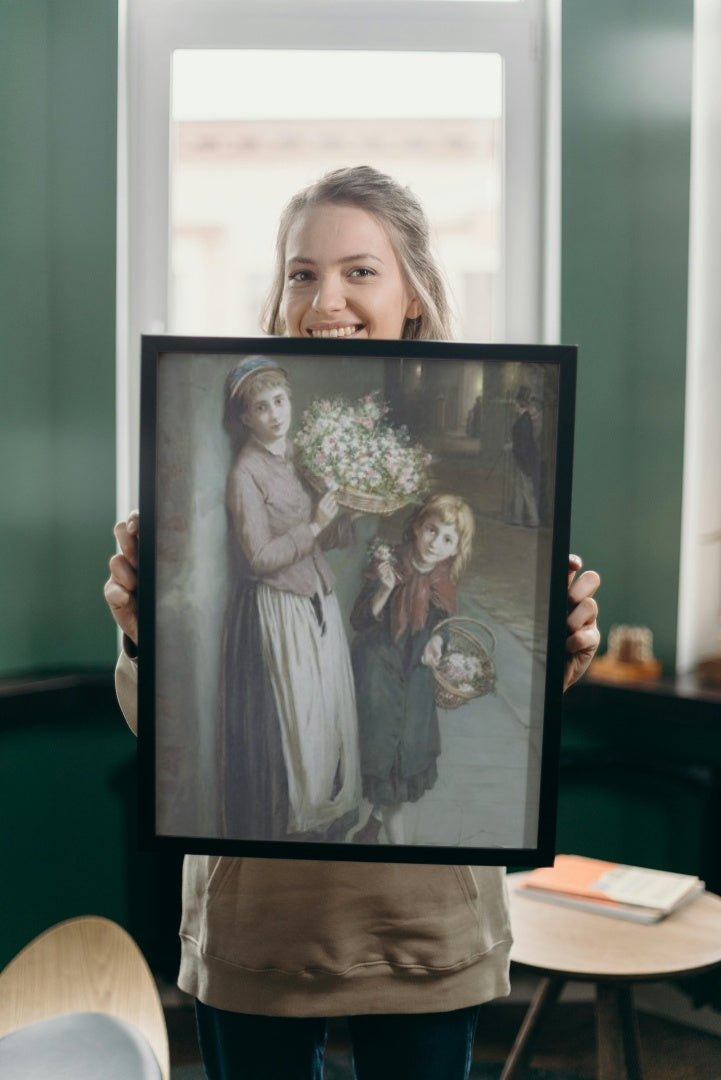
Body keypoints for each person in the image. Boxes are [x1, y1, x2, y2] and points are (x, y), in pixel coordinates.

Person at [105, 165, 601, 1080]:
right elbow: (155, 725)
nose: (324, 297)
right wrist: (142, 639)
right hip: (260, 926)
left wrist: (563, 646)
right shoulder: (244, 454)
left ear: (413, 291)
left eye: (359, 271)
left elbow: (449, 670)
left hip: (423, 925)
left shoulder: (410, 456)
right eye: (301, 272)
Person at [220, 355, 360, 842]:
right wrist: (317, 524)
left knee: (331, 707)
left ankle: (335, 810)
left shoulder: (302, 456)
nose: (274, 414)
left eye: (279, 401)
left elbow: (330, 538)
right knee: (303, 716)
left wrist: (347, 511)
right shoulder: (246, 473)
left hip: (321, 595)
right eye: (261, 407)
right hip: (283, 606)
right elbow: (259, 557)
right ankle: (309, 821)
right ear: (245, 419)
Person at [350, 494, 474, 846]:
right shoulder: (388, 561)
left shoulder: (443, 580)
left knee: (404, 755)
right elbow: (359, 620)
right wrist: (385, 591)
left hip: (415, 677)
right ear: (417, 527)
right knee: (383, 753)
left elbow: (442, 623)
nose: (435, 542)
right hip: (380, 670)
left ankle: (372, 832)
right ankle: (393, 846)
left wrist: (437, 643)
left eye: (447, 539)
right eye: (431, 530)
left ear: (455, 549)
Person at [509, 385, 541, 528]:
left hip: (524, 461)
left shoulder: (524, 421)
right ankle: (517, 518)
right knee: (519, 490)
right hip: (522, 460)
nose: (514, 406)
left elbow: (523, 446)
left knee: (526, 491)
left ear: (519, 404)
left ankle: (534, 520)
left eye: (515, 403)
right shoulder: (524, 419)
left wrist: (512, 446)